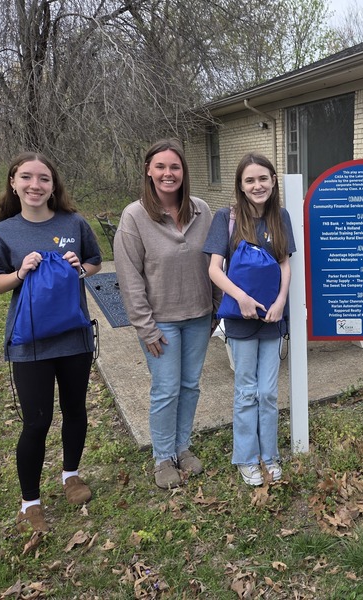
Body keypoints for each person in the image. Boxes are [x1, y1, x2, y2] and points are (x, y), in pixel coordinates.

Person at [0, 152, 102, 533]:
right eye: (27, 178)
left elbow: (95, 261)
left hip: (74, 337)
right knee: (36, 421)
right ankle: (30, 501)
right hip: (29, 342)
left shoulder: (73, 223)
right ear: (13, 183)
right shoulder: (5, 232)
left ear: (53, 185)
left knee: (75, 410)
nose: (35, 185)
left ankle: (71, 476)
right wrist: (20, 271)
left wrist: (79, 266)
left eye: (43, 178)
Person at [114, 139, 220, 489]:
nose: (168, 173)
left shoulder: (202, 210)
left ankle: (182, 447)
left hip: (199, 316)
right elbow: (129, 278)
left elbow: (216, 261)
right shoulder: (134, 216)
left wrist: (217, 310)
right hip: (161, 323)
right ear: (149, 171)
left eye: (174, 167)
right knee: (165, 390)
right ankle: (163, 457)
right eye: (160, 167)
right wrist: (145, 327)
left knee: (190, 386)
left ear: (183, 172)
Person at [204, 153, 295, 486]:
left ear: (273, 180)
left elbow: (284, 263)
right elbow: (214, 269)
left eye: (263, 178)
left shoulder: (279, 217)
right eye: (250, 180)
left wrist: (282, 301)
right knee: (246, 391)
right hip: (241, 321)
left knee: (268, 392)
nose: (257, 186)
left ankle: (269, 454)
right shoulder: (225, 219)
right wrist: (240, 297)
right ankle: (245, 456)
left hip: (272, 320)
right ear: (241, 186)